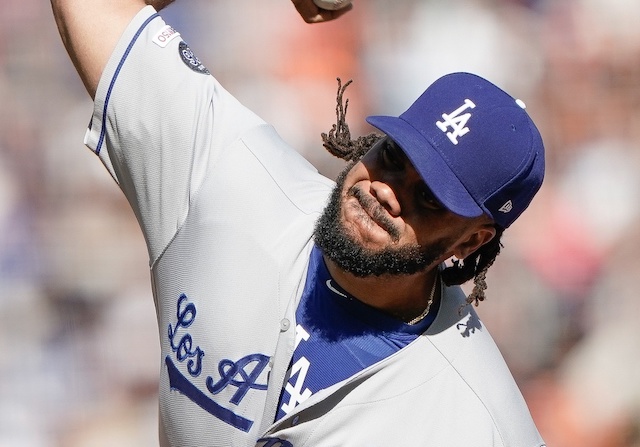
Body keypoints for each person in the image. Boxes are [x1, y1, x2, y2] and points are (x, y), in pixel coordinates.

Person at [50, 0, 546, 445]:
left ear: (473, 239)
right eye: (394, 156)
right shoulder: (231, 179)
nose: (387, 192)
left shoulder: (480, 422)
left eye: (430, 197)